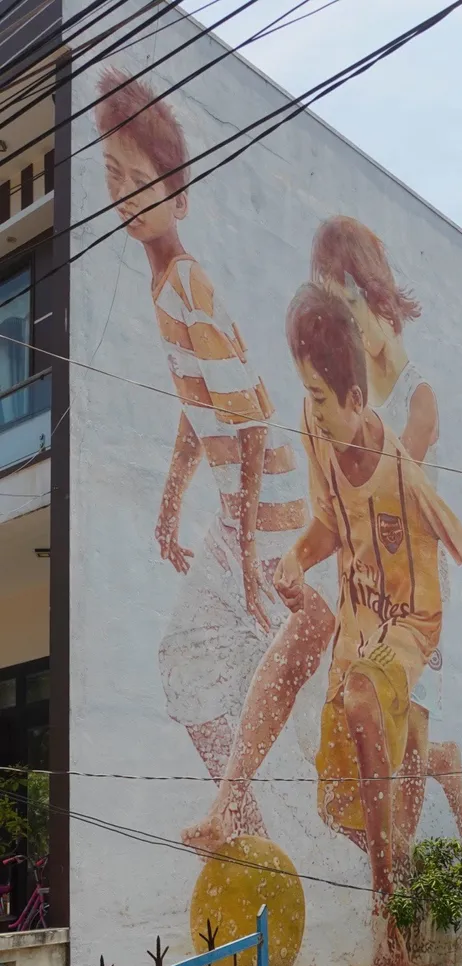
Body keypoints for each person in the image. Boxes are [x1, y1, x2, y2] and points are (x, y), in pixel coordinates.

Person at [95, 70, 334, 832]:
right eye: (113, 176)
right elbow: (199, 414)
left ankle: (239, 813)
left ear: (181, 197)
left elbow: (254, 423)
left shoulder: (187, 283)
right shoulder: (166, 287)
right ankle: (245, 824)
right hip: (242, 510)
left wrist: (244, 551)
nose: (127, 195)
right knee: (190, 659)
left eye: (144, 182)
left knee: (224, 649)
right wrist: (169, 512)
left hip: (265, 508)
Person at [279, 284, 462, 966]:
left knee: (362, 701)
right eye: (306, 395)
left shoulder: (400, 471)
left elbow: (459, 538)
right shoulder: (317, 429)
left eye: (321, 399)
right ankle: (406, 845)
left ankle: (388, 923)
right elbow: (329, 525)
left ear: (355, 399)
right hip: (358, 619)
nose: (311, 411)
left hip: (410, 618)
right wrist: (291, 560)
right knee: (333, 802)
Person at [309, 216, 462, 867]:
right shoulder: (352, 394)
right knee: (353, 748)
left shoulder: (417, 398)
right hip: (365, 589)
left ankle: (395, 893)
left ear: (378, 299)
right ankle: (412, 827)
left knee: (397, 730)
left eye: (351, 304)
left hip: (411, 591)